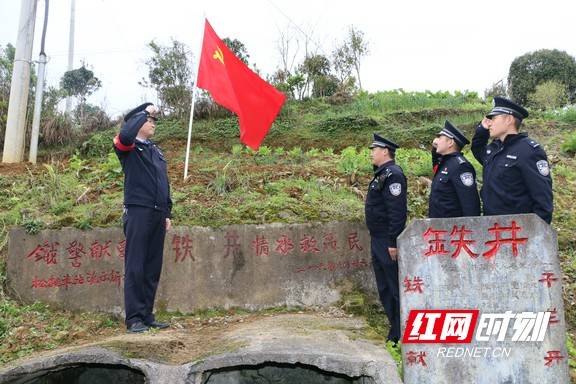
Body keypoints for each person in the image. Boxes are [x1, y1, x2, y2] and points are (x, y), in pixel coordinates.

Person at [113, 102, 172, 333]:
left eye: (153, 120)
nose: (153, 124)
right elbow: (125, 133)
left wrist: (167, 212)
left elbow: (164, 183)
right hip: (138, 211)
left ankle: (147, 314)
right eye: (149, 121)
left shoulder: (155, 150)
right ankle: (134, 318)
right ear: (138, 123)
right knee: (136, 265)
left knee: (152, 267)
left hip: (158, 213)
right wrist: (144, 111)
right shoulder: (127, 146)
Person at [471, 97, 553, 224]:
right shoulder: (494, 149)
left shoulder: (528, 150)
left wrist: (534, 235)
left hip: (516, 232)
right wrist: (482, 129)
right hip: (492, 227)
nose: (490, 123)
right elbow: (477, 148)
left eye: (494, 118)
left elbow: (543, 200)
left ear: (508, 119)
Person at [365, 133, 407, 344]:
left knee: (394, 287)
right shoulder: (381, 174)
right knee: (384, 288)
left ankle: (401, 333)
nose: (371, 153)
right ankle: (394, 331)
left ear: (385, 151)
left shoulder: (393, 175)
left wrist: (393, 242)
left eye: (374, 149)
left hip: (386, 241)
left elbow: (397, 212)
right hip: (377, 239)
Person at [429, 120, 480, 218]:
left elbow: (470, 204)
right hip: (439, 227)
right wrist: (435, 147)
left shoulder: (461, 166)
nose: (437, 140)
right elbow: (435, 161)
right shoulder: (445, 163)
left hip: (453, 229)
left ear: (450, 142)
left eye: (440, 138)